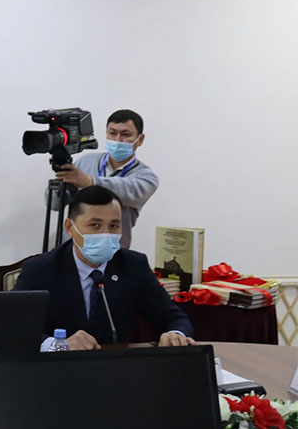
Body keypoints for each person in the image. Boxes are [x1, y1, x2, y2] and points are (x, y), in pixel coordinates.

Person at [17, 185, 193, 350]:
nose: (105, 234)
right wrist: (59, 345)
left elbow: (173, 317)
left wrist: (175, 334)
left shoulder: (133, 265)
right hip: (58, 366)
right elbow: (15, 328)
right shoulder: (40, 269)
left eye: (114, 226)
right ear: (70, 227)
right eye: (95, 225)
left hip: (115, 366)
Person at [48, 109, 158, 248]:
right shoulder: (85, 162)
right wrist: (61, 186)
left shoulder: (146, 177)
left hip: (112, 250)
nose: (117, 140)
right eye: (112, 133)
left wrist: (90, 182)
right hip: (74, 247)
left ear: (140, 139)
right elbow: (54, 205)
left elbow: (126, 190)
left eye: (125, 134)